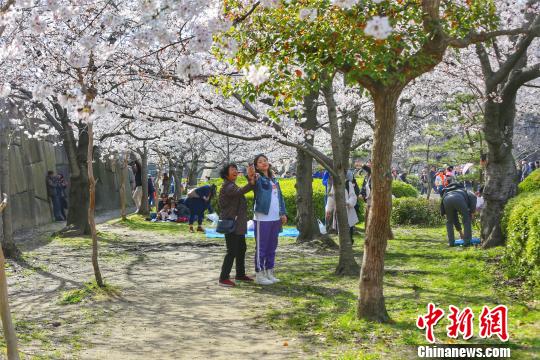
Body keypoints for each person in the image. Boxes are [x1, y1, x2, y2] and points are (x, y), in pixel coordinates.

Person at [218, 163, 257, 287]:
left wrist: (251, 180)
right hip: (231, 223)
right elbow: (241, 191)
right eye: (232, 169)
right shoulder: (227, 186)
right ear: (226, 173)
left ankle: (240, 274)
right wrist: (251, 182)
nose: (235, 171)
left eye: (236, 169)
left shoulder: (232, 185)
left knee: (241, 249)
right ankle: (223, 278)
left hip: (237, 224)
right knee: (232, 251)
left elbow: (244, 190)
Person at [252, 154, 287, 285]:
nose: (263, 163)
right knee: (262, 247)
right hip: (262, 218)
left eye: (265, 161)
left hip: (275, 218)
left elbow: (280, 197)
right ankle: (259, 275)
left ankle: (269, 272)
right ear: (256, 166)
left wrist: (283, 213)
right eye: (260, 162)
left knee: (272, 246)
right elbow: (252, 179)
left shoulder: (274, 179)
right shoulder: (259, 178)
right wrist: (253, 175)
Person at [325, 172, 359, 244]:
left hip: (348, 211)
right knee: (339, 230)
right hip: (338, 211)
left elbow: (353, 196)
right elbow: (331, 198)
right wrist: (328, 210)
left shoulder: (348, 183)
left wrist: (348, 203)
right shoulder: (334, 184)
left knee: (349, 229)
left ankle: (349, 243)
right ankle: (343, 244)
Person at [440, 183, 477, 247]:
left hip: (446, 200)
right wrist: (472, 212)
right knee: (467, 219)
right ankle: (467, 242)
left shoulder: (447, 191)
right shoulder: (465, 190)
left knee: (449, 222)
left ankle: (451, 243)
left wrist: (461, 233)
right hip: (459, 199)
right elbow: (473, 196)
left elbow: (455, 219)